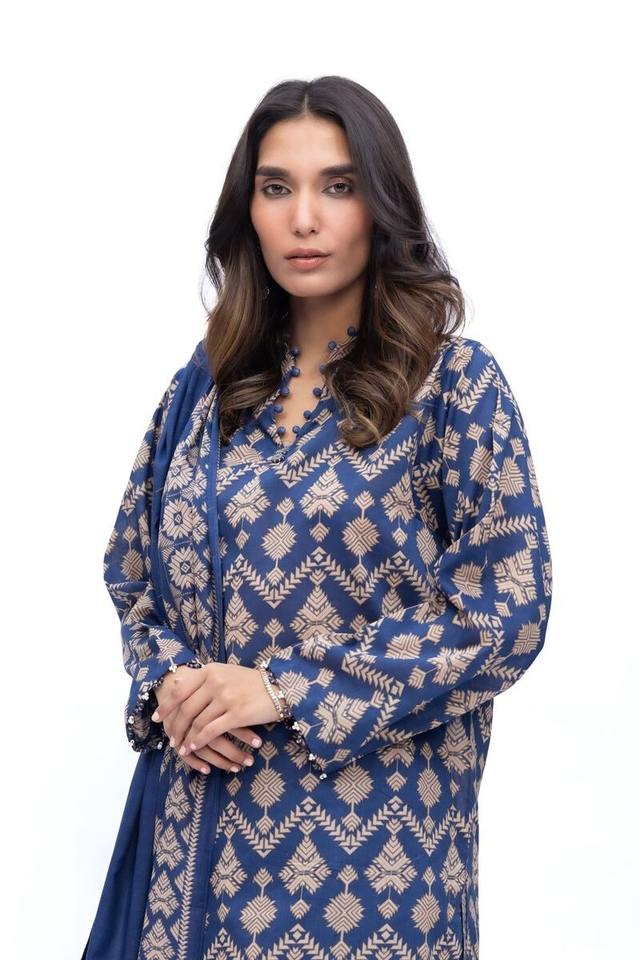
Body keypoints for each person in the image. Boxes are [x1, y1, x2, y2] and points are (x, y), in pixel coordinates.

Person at [82, 75, 553, 960]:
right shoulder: (204, 391)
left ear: (383, 207)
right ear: (248, 213)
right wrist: (171, 681)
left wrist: (283, 688)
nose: (304, 218)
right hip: (195, 864)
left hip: (377, 873)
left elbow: (504, 613)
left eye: (338, 186)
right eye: (276, 187)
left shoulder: (453, 386)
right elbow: (132, 574)